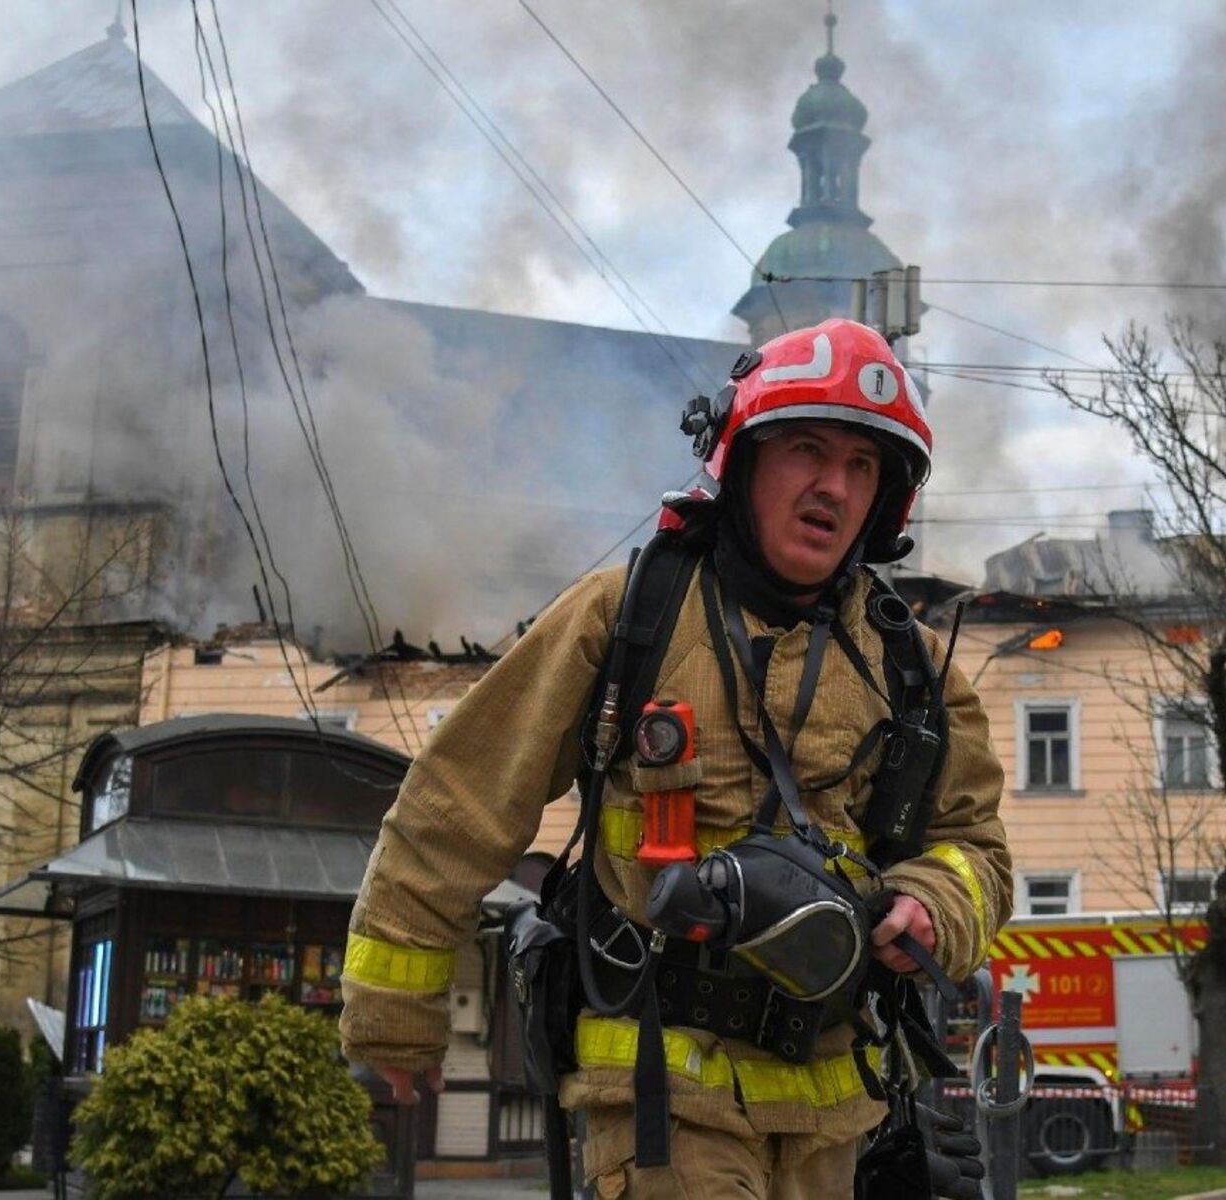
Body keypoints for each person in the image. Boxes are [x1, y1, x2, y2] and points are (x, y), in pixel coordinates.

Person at [340, 318, 1010, 1198]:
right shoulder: (628, 617)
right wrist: (395, 1014)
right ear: (745, 458)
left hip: (839, 1108)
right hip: (665, 1091)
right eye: (807, 448)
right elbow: (454, 804)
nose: (834, 486)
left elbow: (979, 849)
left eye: (862, 466)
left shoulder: (911, 668)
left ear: (886, 500)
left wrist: (932, 904)